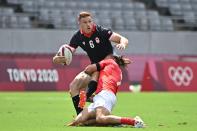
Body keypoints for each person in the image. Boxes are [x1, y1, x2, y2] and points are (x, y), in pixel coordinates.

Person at [53, 11, 129, 115]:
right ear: (79, 23)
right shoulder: (77, 37)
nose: (88, 24)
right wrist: (57, 59)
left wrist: (122, 44)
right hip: (94, 66)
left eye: (90, 21)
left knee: (87, 89)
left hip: (107, 66)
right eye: (85, 22)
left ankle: (91, 101)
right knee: (73, 87)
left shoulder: (100, 31)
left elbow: (123, 39)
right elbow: (69, 52)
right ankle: (81, 115)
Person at [67, 55, 145, 128]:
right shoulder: (114, 70)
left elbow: (89, 69)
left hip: (105, 95)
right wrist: (83, 97)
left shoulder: (110, 61)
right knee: (78, 121)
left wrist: (81, 78)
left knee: (100, 118)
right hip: (102, 96)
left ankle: (134, 121)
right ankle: (113, 122)